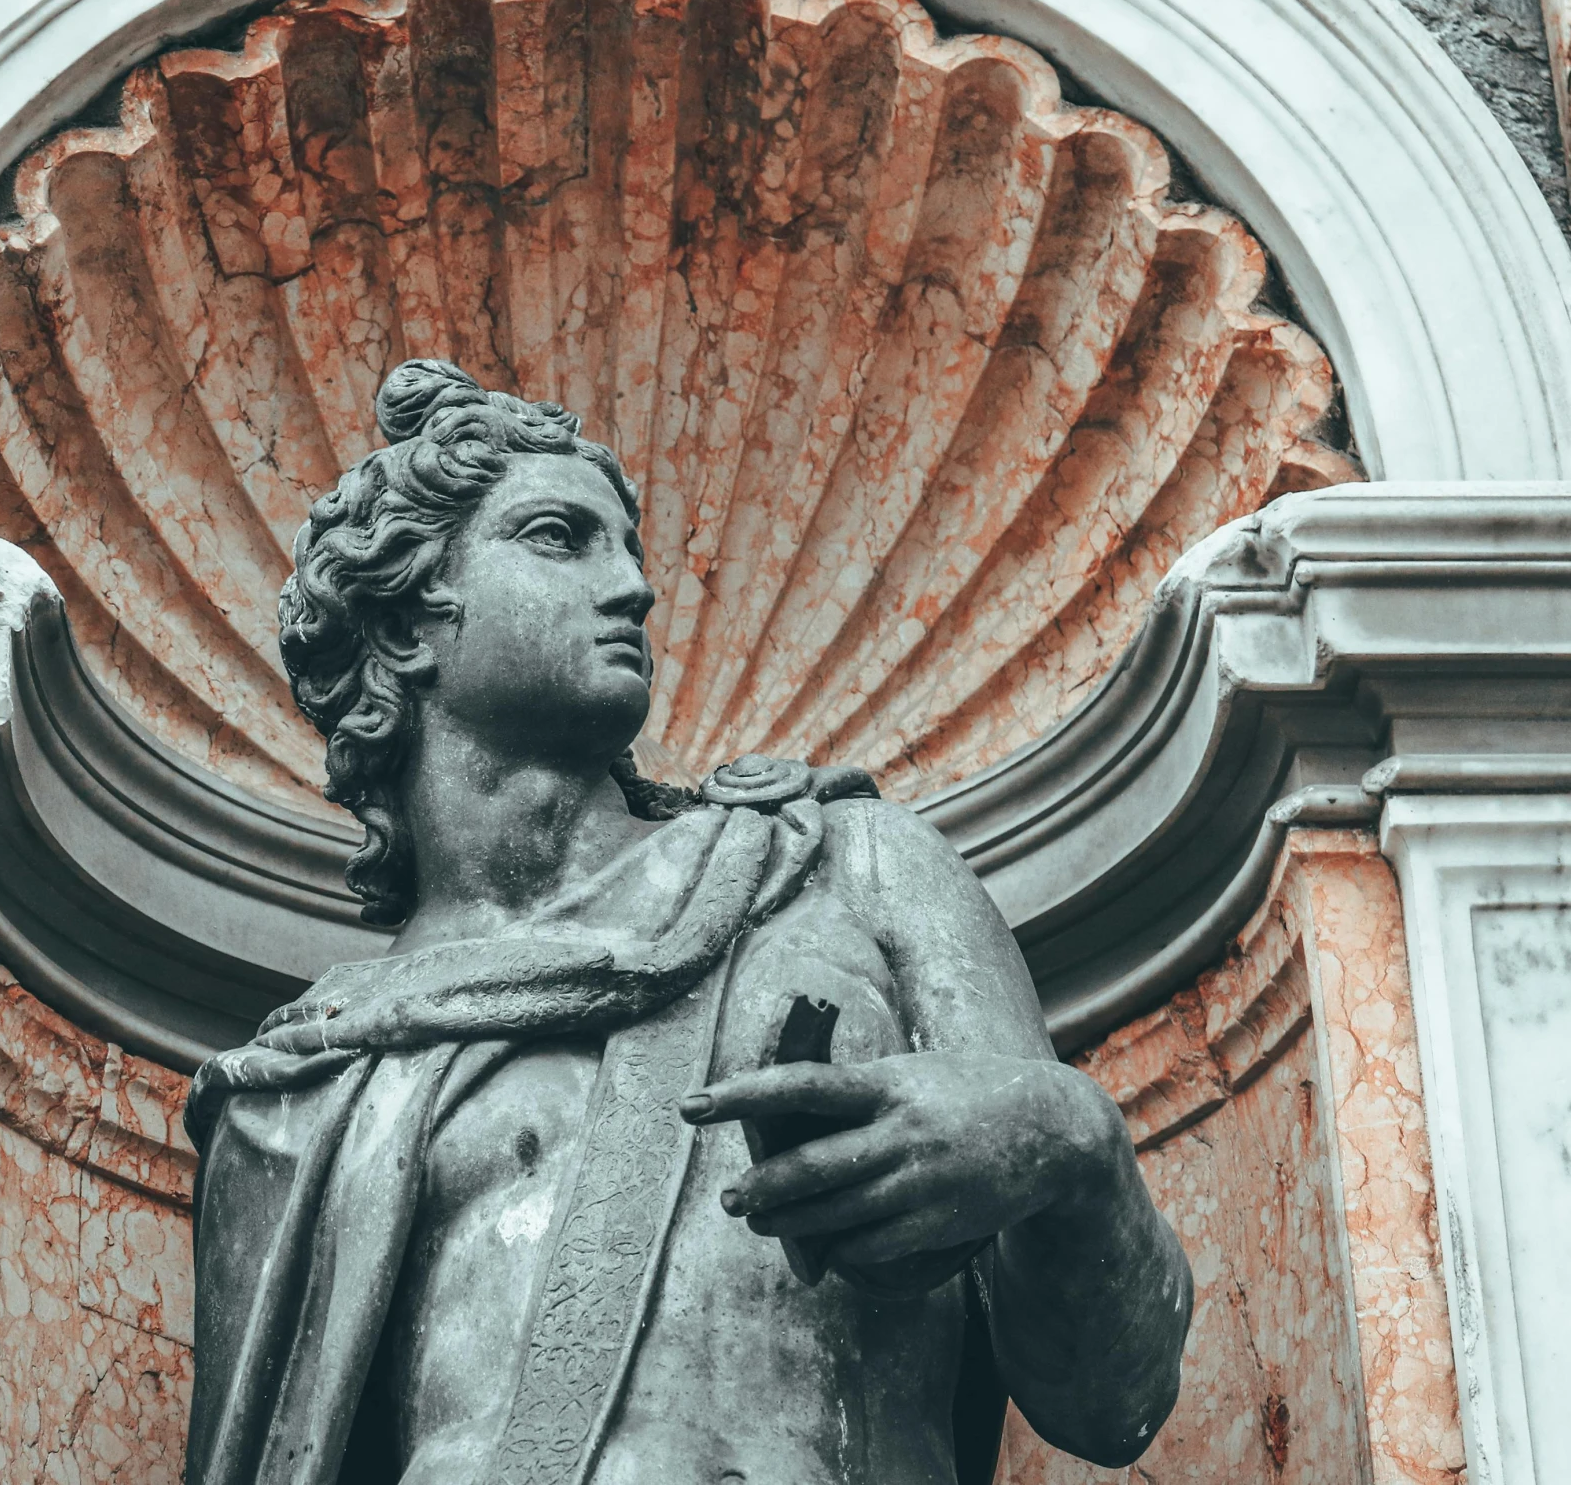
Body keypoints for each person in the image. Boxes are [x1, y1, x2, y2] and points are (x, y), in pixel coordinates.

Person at [183, 359, 1192, 1485]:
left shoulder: (837, 866)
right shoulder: (305, 1076)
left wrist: (1069, 1140)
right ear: (408, 620)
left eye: (630, 551)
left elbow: (1114, 1402)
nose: (632, 589)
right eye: (560, 537)